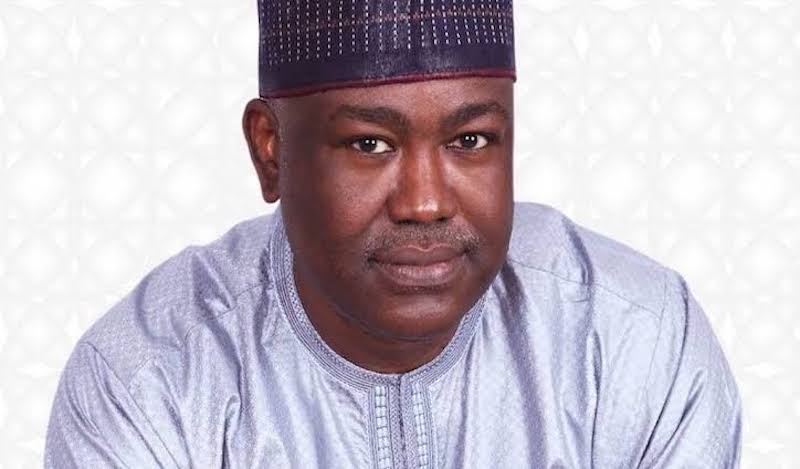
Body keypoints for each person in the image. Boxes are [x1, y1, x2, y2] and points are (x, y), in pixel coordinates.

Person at [44, 0, 741, 467]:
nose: (426, 203)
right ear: (270, 150)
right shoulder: (151, 382)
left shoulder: (634, 343)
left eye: (471, 139)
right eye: (370, 145)